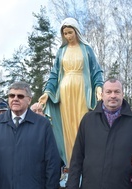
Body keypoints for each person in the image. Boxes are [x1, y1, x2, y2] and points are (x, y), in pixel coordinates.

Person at [38, 17, 103, 169]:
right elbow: (54, 74)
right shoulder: (61, 51)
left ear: (76, 31)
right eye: (65, 33)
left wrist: (99, 87)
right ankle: (70, 165)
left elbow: (96, 71)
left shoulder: (86, 49)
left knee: (83, 124)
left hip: (82, 90)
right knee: (67, 127)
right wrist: (47, 91)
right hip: (65, 92)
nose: (68, 36)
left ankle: (85, 164)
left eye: (70, 32)